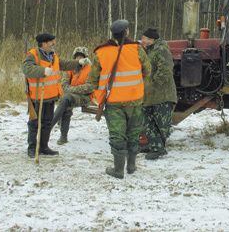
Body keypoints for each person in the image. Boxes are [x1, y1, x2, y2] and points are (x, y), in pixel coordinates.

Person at [73, 20, 151, 179]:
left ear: (112, 34)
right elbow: (147, 70)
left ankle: (118, 169)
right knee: (134, 133)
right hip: (135, 99)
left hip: (113, 101)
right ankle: (131, 165)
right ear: (127, 33)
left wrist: (99, 97)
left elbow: (93, 79)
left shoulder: (101, 52)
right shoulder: (137, 49)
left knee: (117, 135)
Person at [22, 33, 91, 158]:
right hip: (37, 96)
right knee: (34, 123)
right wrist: (42, 71)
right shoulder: (32, 55)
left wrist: (79, 62)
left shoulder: (53, 56)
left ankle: (44, 146)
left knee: (47, 123)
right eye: (51, 41)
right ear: (44, 44)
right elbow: (27, 70)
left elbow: (64, 64)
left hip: (50, 96)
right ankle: (32, 148)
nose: (54, 43)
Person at [140, 27, 177, 159]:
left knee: (161, 124)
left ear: (152, 39)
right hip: (151, 95)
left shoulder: (161, 49)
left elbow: (166, 69)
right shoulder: (149, 51)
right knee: (147, 120)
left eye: (144, 38)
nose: (142, 40)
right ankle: (154, 146)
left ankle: (158, 149)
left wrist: (153, 84)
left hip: (162, 94)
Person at [54, 46, 95, 145]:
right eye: (77, 57)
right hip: (71, 97)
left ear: (86, 58)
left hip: (86, 97)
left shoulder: (91, 69)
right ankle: (63, 137)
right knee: (66, 102)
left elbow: (90, 87)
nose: (79, 59)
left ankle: (49, 126)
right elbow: (64, 86)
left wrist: (72, 90)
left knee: (66, 99)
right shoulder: (69, 69)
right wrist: (78, 89)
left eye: (81, 57)